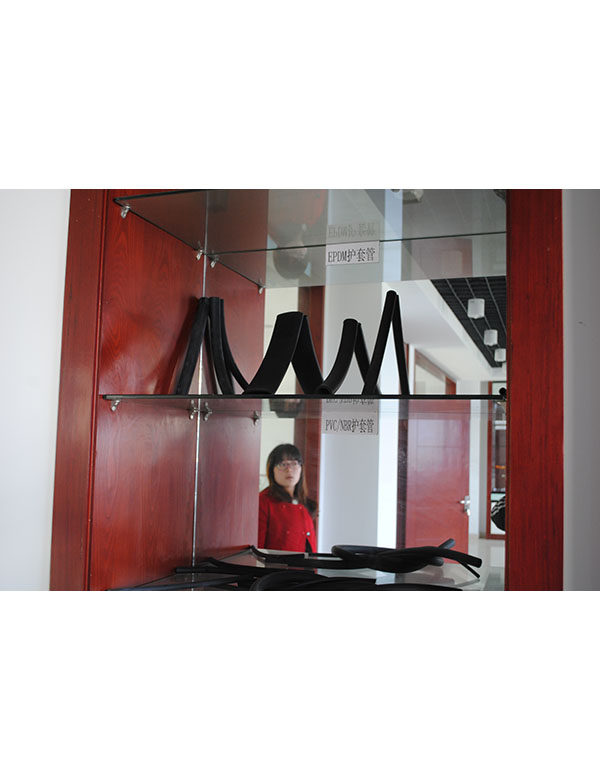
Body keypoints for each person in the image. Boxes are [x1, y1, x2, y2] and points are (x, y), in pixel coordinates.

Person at [258, 443, 318, 553]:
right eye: (282, 464)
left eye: (294, 463)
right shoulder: (263, 501)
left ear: (301, 468)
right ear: (272, 470)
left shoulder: (304, 504)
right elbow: (258, 550)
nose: (289, 469)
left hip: (306, 564)